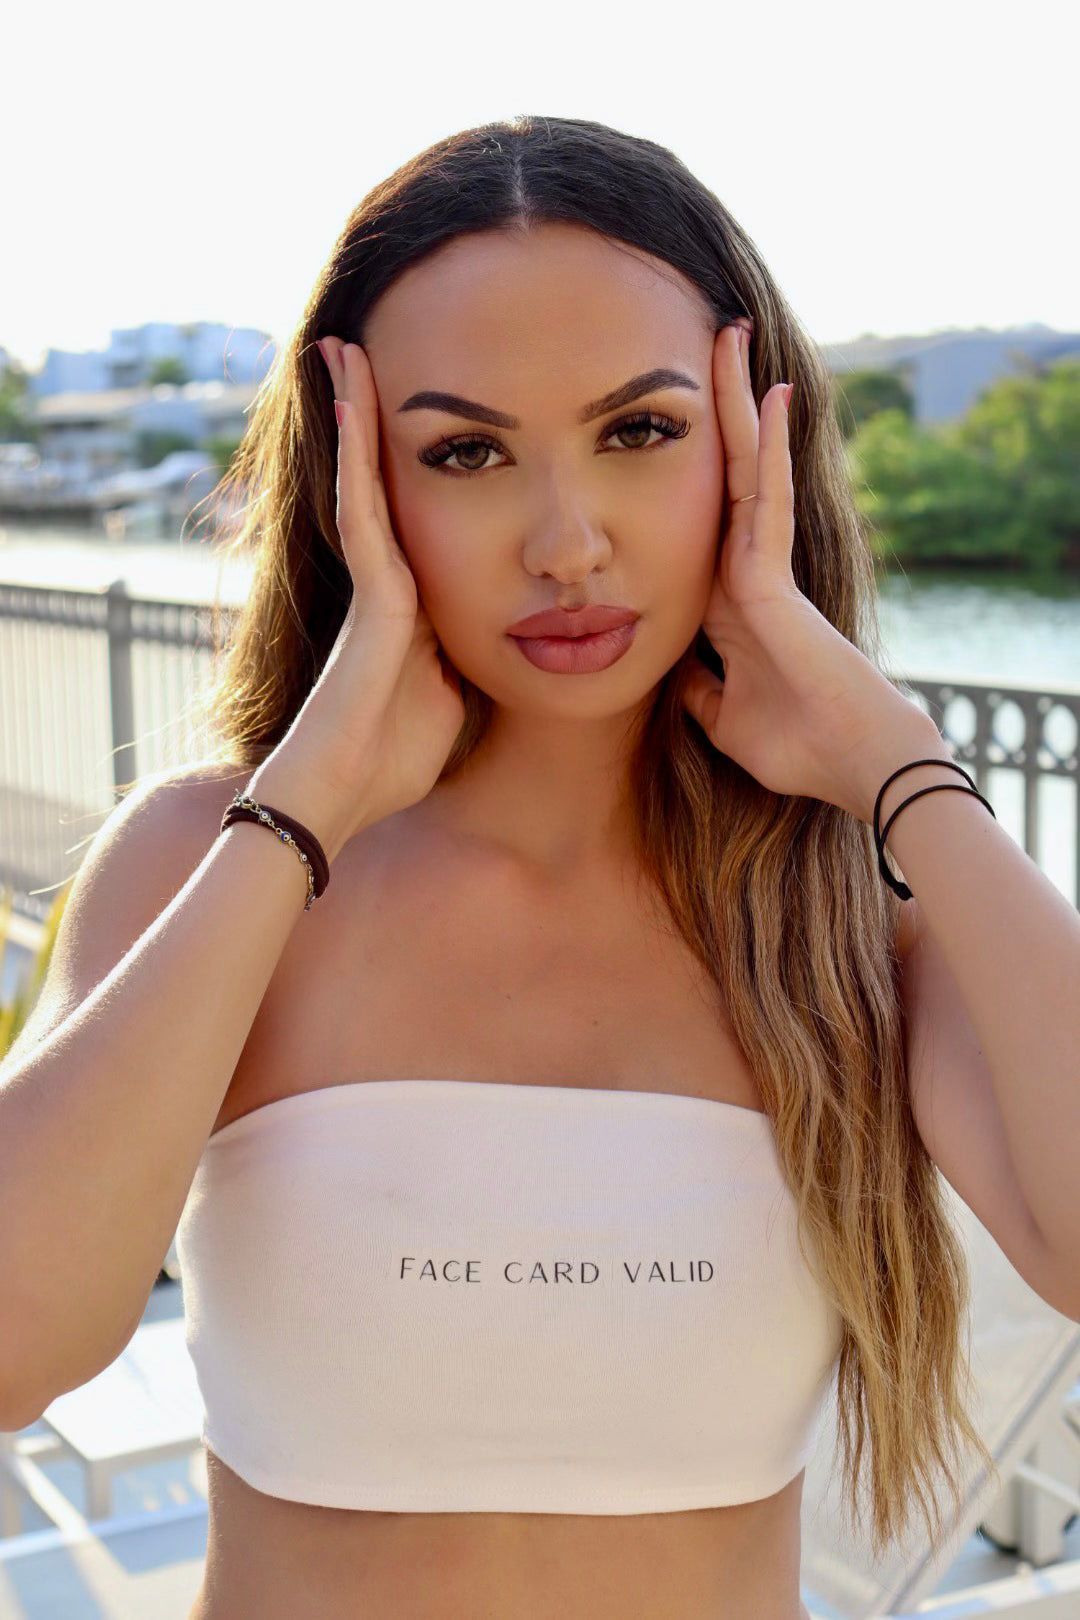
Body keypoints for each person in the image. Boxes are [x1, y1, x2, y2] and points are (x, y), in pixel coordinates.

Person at [2, 116, 1006, 1619]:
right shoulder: (208, 862)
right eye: (465, 452)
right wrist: (303, 811)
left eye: (640, 432)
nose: (566, 543)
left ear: (756, 449)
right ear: (360, 485)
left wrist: (906, 775)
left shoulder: (854, 907)